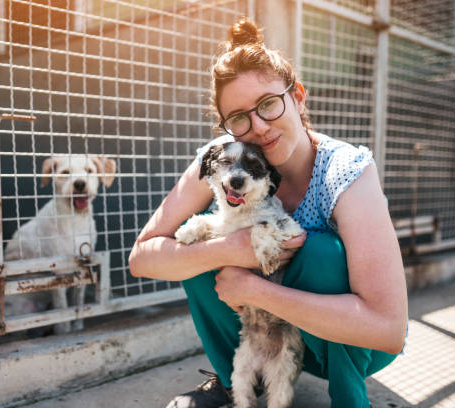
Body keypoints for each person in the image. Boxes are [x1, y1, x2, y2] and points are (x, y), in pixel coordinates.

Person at [128, 17, 407, 408]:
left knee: (320, 251)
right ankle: (236, 384)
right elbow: (141, 258)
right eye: (239, 117)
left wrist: (258, 290)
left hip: (347, 343)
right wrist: (226, 250)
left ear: (298, 96)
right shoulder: (224, 158)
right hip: (265, 335)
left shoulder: (346, 172)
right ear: (226, 127)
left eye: (269, 104)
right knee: (194, 242)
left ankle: (349, 397)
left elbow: (390, 331)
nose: (258, 127)